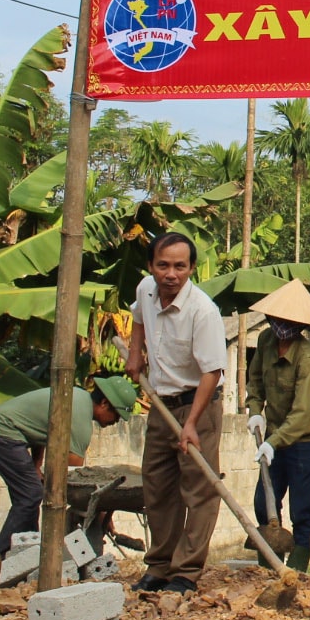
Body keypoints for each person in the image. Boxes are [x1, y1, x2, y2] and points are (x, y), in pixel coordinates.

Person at [126, 232, 229, 595]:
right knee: (157, 487)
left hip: (198, 406)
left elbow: (212, 371)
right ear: (152, 266)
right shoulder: (145, 290)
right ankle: (159, 565)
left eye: (180, 266)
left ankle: (186, 571)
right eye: (164, 265)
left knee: (199, 490)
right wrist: (135, 352)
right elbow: (138, 317)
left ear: (191, 269)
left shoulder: (203, 311)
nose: (171, 274)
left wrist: (190, 424)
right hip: (160, 404)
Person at [0, 377, 138, 555]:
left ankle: (26, 553)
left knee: (28, 496)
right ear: (104, 403)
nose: (116, 422)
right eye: (117, 416)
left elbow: (42, 429)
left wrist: (36, 466)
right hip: (0, 431)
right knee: (31, 496)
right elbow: (75, 481)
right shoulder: (80, 422)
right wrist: (98, 510)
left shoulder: (77, 397)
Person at [245, 279, 310, 573]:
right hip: (274, 435)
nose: (283, 326)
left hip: (304, 440)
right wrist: (255, 410)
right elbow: (255, 381)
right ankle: (270, 566)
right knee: (263, 501)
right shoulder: (266, 342)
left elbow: (303, 412)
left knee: (302, 511)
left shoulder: (307, 357)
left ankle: (296, 573)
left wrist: (274, 442)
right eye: (279, 319)